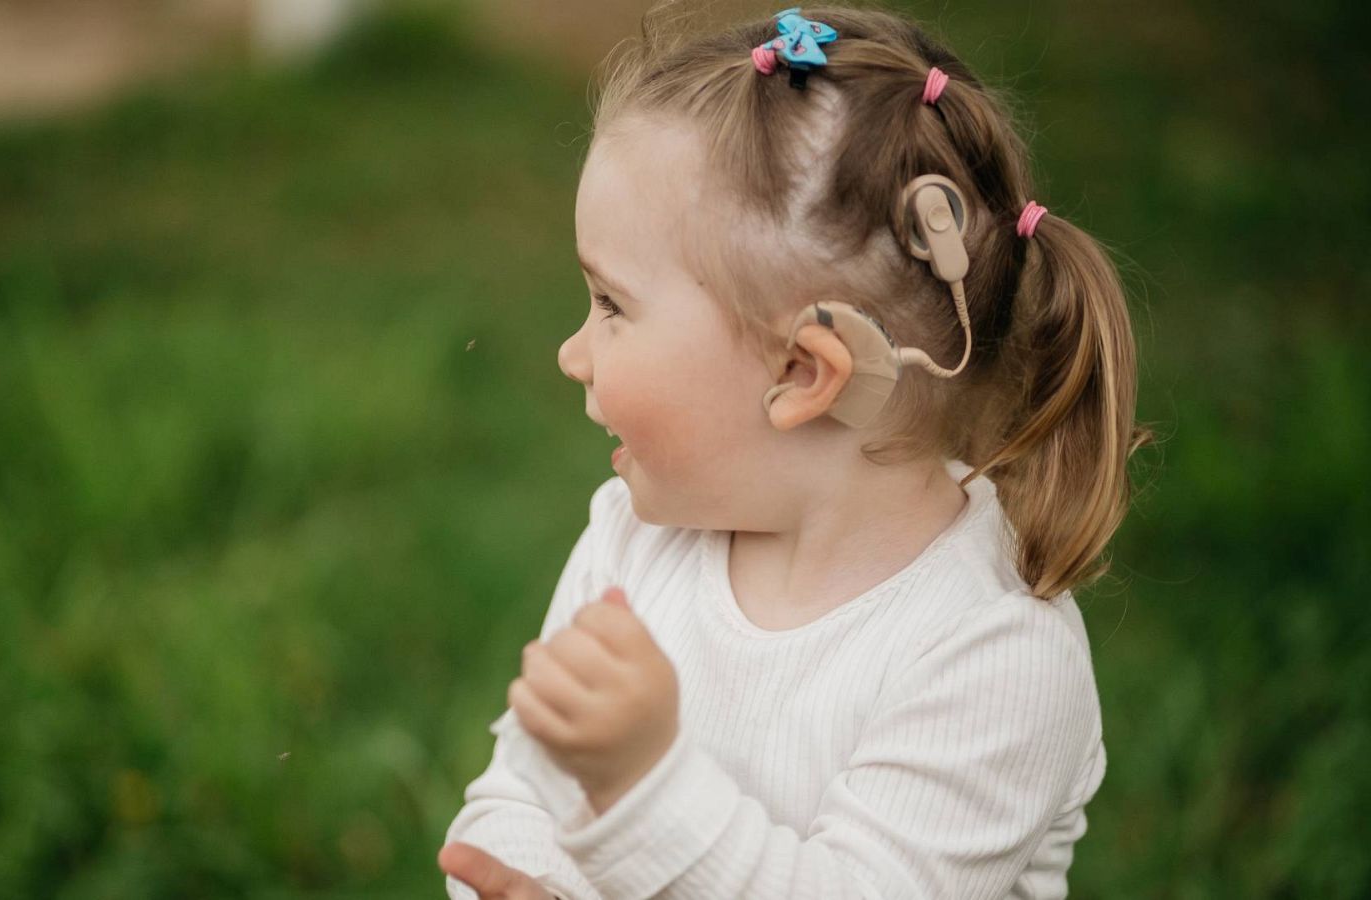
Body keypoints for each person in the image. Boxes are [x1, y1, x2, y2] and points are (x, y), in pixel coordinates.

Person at [439, 4, 1153, 898]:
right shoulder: (635, 542)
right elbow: (521, 786)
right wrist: (518, 876)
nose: (571, 352)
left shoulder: (991, 654)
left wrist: (643, 788)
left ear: (803, 373)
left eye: (613, 305)